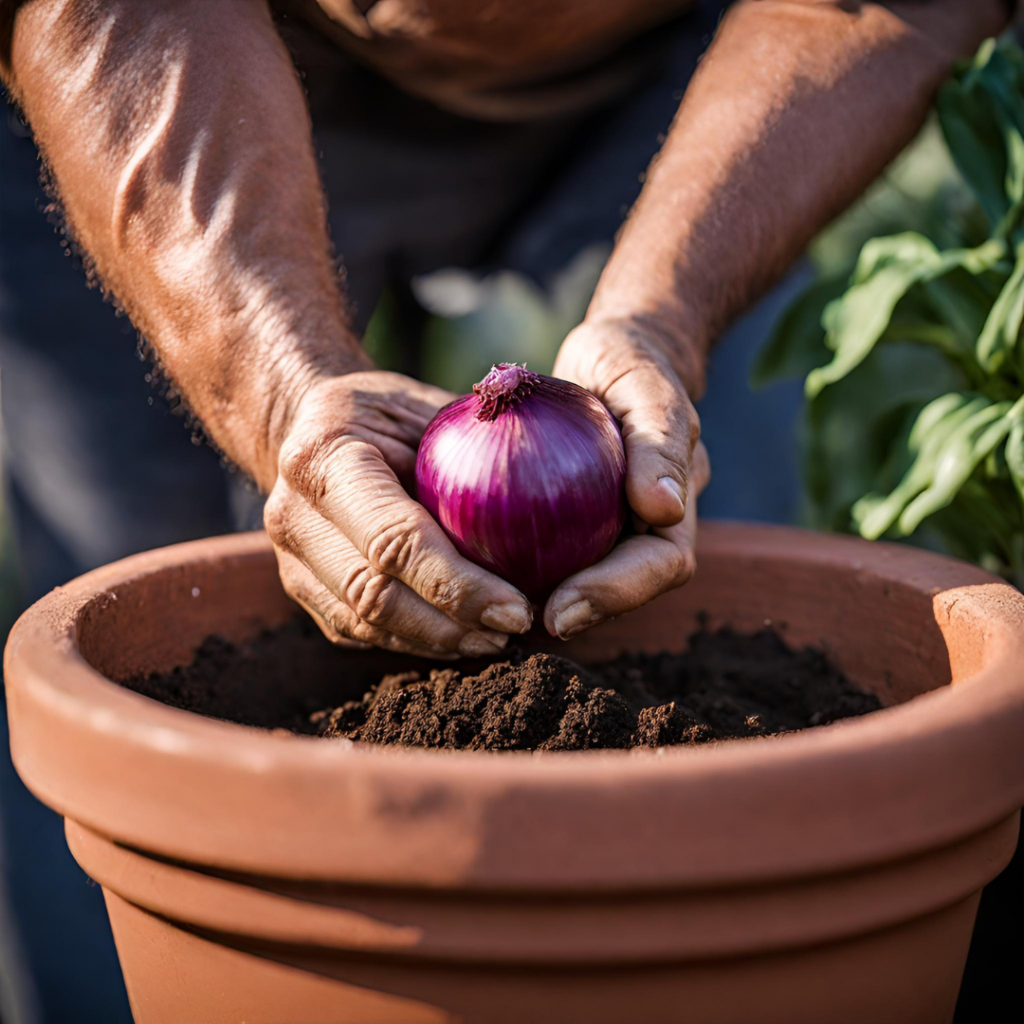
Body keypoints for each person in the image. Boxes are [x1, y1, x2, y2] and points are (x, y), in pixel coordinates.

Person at [0, 0, 1017, 1020]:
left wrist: (659, 319)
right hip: (178, 71)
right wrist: (277, 390)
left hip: (688, 64)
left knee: (714, 577)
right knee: (128, 670)